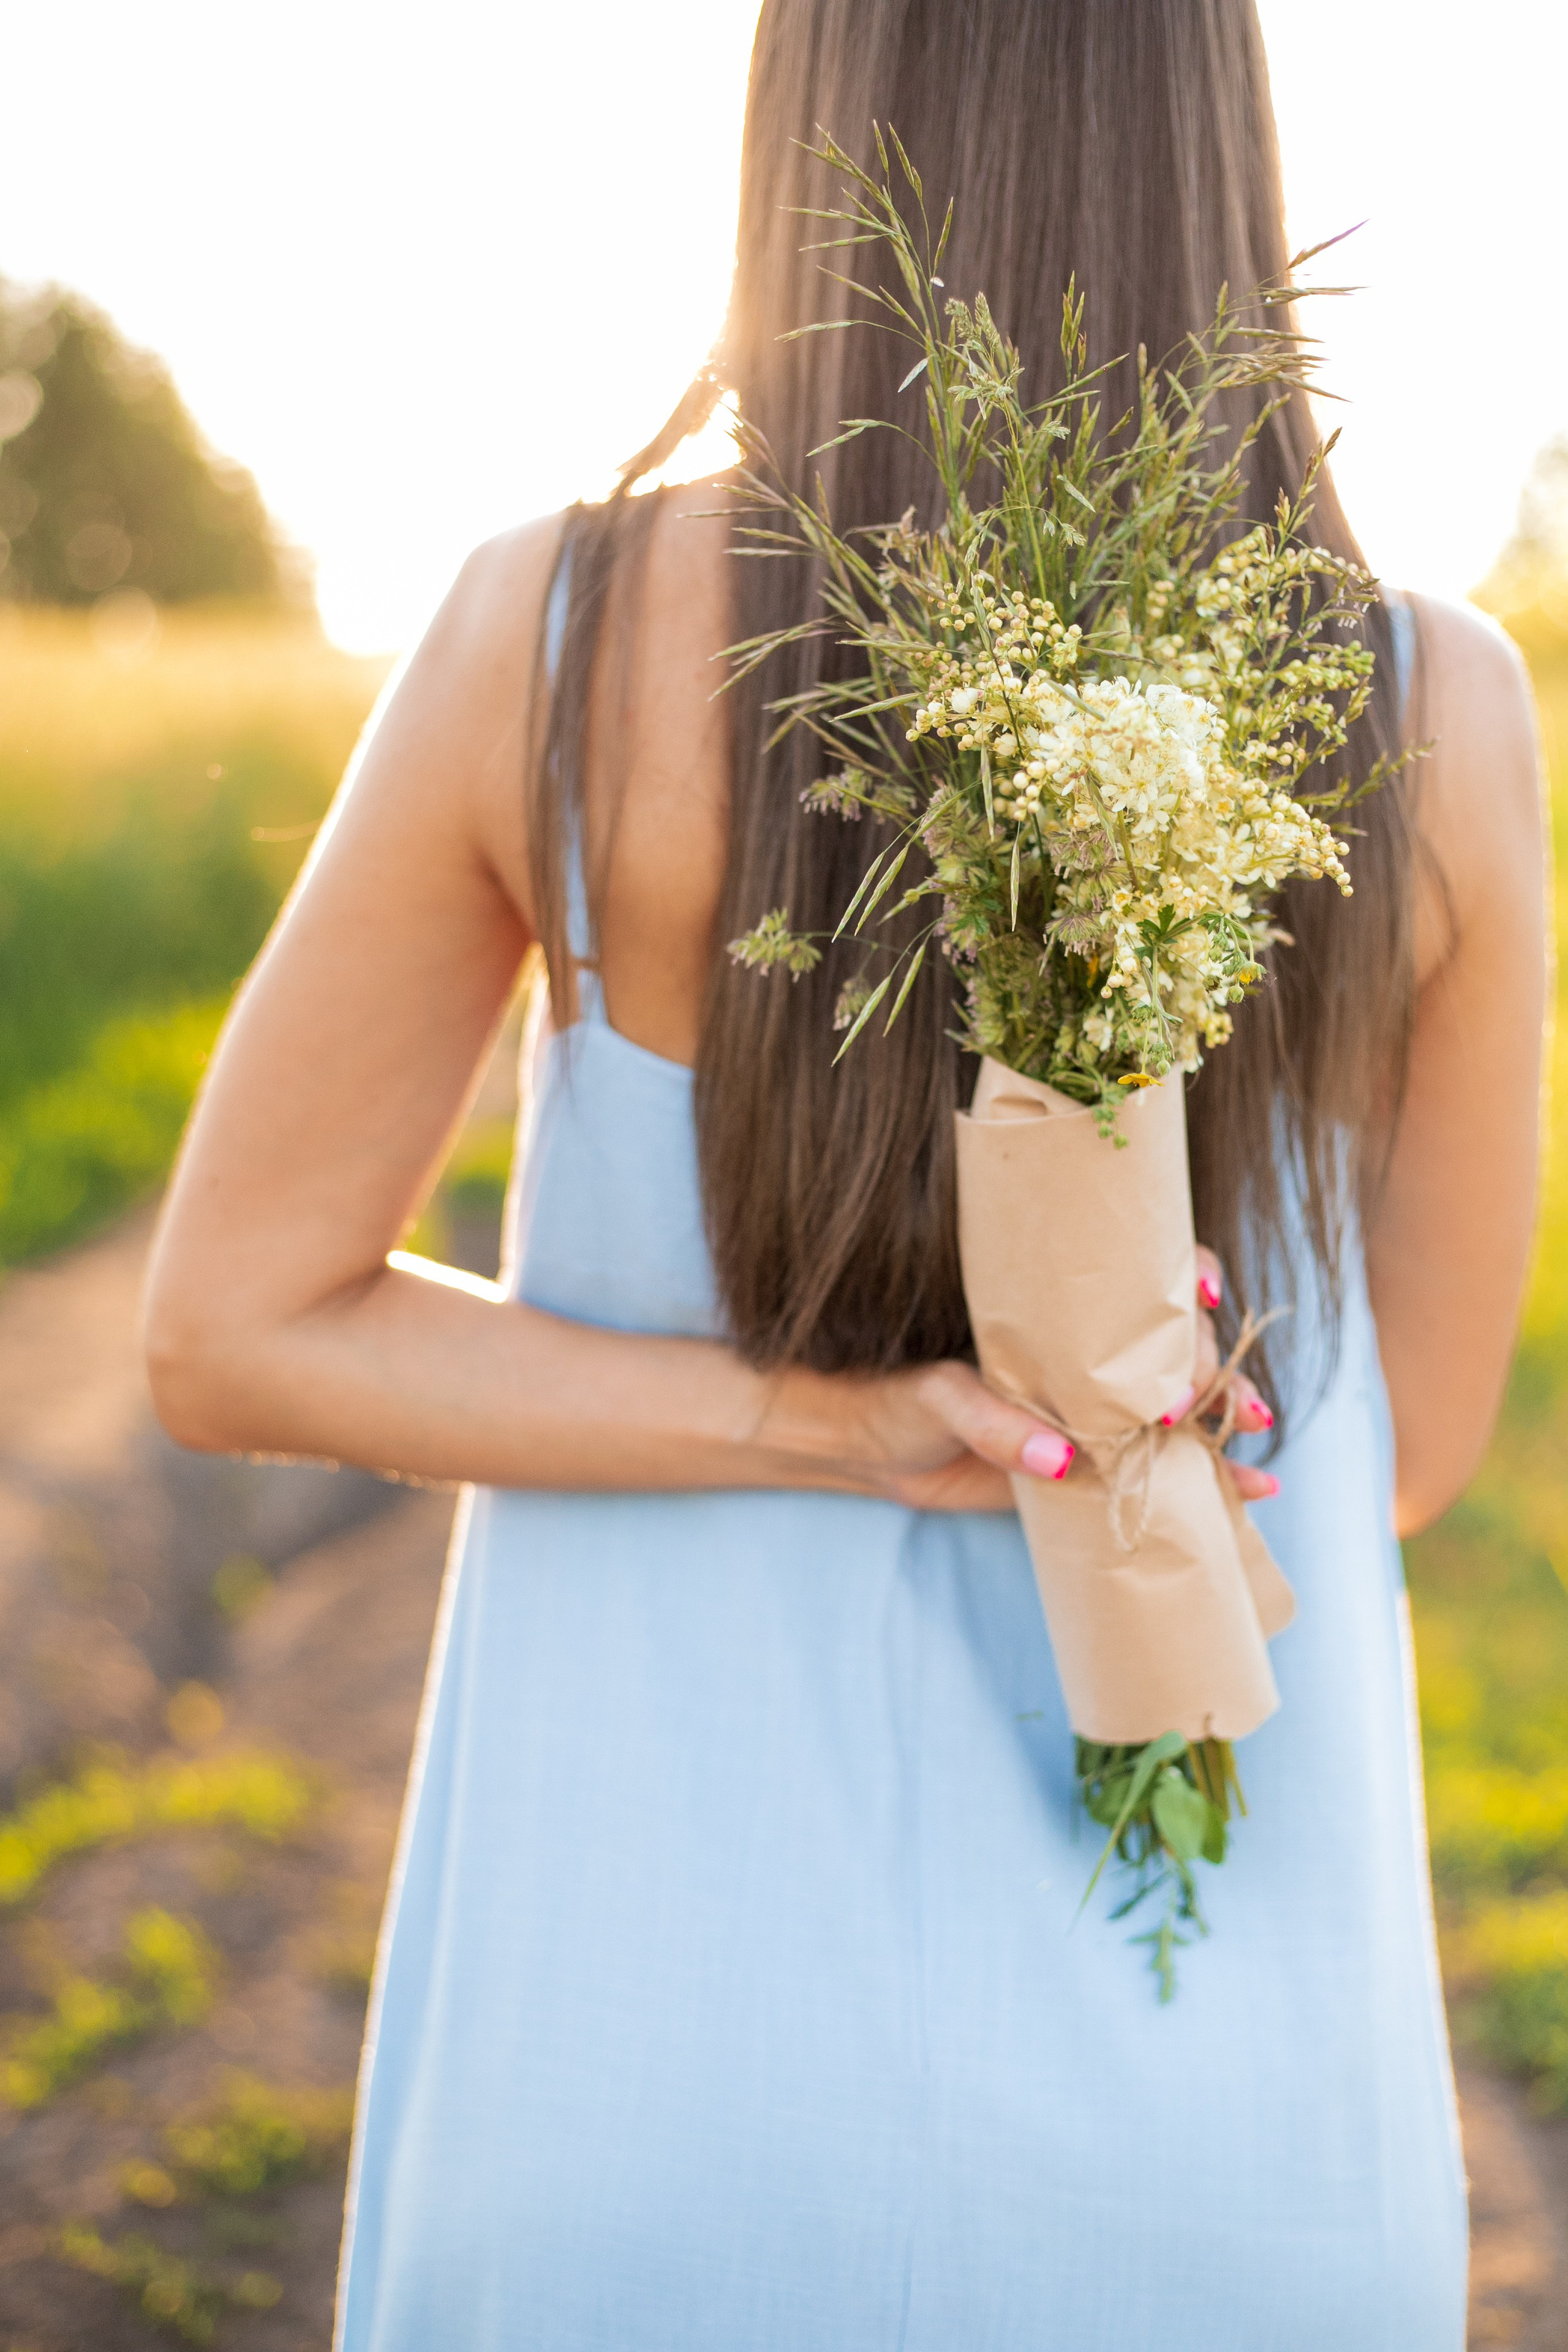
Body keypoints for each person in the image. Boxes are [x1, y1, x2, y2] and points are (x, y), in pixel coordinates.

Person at [143, 2, 1547, 2344]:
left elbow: (227, 1328)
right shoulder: (1432, 714)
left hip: (634, 2089)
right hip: (1227, 2146)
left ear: (812, 122)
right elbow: (1407, 1445)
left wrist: (837, 1427)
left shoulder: (553, 636)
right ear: (1222, 141)